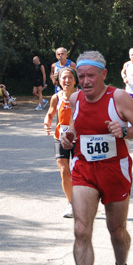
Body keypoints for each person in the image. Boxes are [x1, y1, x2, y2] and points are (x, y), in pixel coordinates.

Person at [60, 51, 133, 265]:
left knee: (116, 230)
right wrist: (68, 137)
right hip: (85, 169)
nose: (85, 81)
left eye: (91, 75)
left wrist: (124, 130)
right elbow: (74, 130)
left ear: (103, 75)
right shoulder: (75, 98)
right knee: (80, 229)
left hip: (114, 170)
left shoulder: (118, 97)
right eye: (81, 76)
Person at [43, 66, 78, 218]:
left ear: (75, 80)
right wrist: (47, 123)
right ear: (58, 80)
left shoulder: (82, 96)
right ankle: (71, 204)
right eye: (64, 77)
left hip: (79, 138)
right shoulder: (56, 97)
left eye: (70, 77)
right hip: (60, 137)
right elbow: (50, 114)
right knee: (64, 171)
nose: (67, 80)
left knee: (80, 172)